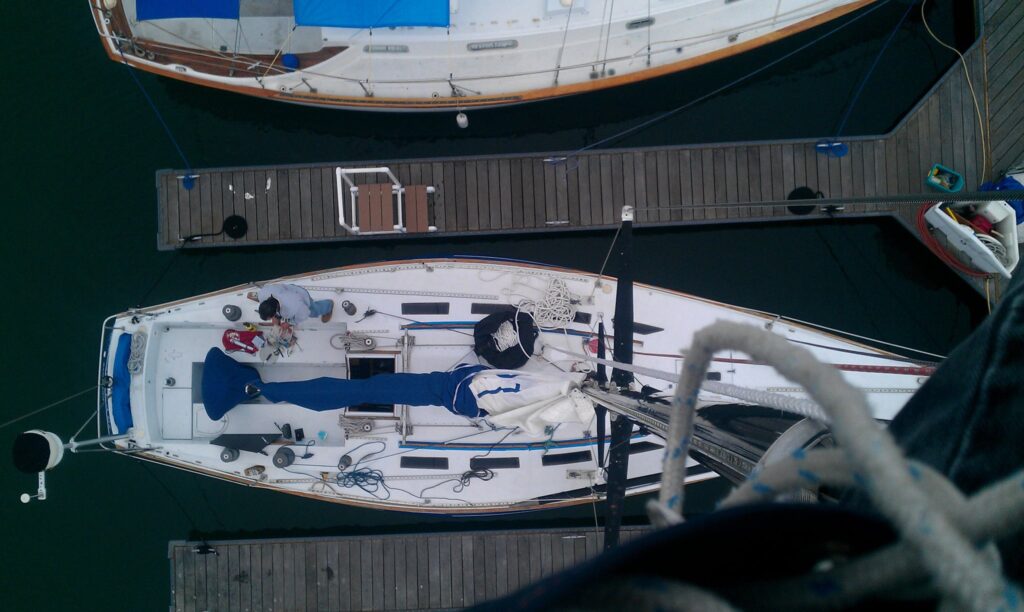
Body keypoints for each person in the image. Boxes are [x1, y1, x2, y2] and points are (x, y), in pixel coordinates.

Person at [255, 283, 334, 324]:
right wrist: (276, 317)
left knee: (313, 311)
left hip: (300, 295)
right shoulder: (262, 294)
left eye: (271, 317)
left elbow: (305, 314)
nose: (272, 319)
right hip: (288, 289)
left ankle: (328, 306)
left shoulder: (295, 306)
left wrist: (290, 324)